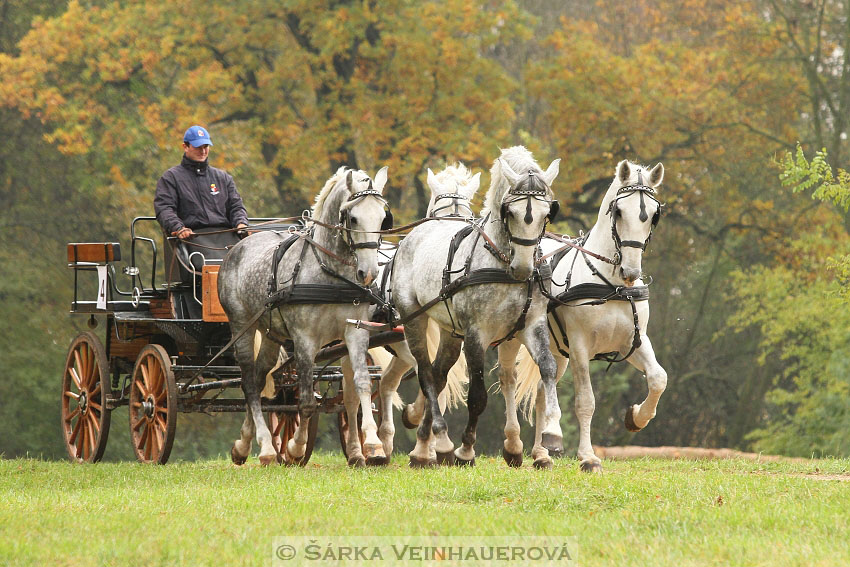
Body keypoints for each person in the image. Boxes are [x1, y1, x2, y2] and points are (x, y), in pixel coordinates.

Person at [154, 125, 249, 239]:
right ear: (185, 146)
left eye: (206, 146)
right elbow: (165, 209)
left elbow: (236, 206)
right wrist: (178, 228)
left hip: (227, 237)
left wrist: (241, 223)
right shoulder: (170, 178)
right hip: (191, 239)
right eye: (198, 147)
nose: (203, 151)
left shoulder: (223, 178)